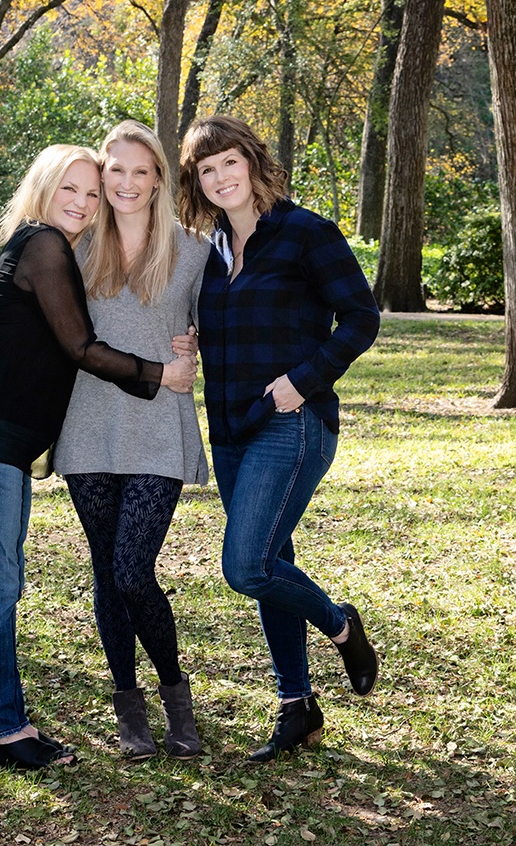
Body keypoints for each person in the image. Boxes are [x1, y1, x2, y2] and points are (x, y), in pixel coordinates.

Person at [0, 144, 196, 773]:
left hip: (6, 443)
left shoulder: (53, 246)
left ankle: (9, 723)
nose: (83, 203)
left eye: (91, 191)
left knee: (11, 582)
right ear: (44, 190)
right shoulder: (45, 246)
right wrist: (161, 372)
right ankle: (3, 731)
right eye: (71, 190)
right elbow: (81, 346)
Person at [178, 115, 381, 762]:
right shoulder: (207, 251)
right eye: (205, 170)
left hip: (292, 423)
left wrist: (302, 379)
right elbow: (226, 326)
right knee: (272, 564)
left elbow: (360, 318)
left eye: (227, 162)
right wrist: (194, 341)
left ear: (252, 161)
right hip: (232, 429)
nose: (218, 177)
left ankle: (341, 624)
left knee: (247, 565)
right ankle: (296, 708)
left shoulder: (305, 233)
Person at [54, 120, 210, 761]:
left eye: (139, 171)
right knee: (105, 573)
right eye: (114, 170)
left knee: (131, 568)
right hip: (87, 425)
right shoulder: (74, 244)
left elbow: (217, 319)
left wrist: (197, 344)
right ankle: (128, 704)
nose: (125, 182)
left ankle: (175, 695)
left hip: (158, 426)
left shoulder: (195, 250)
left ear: (158, 180)